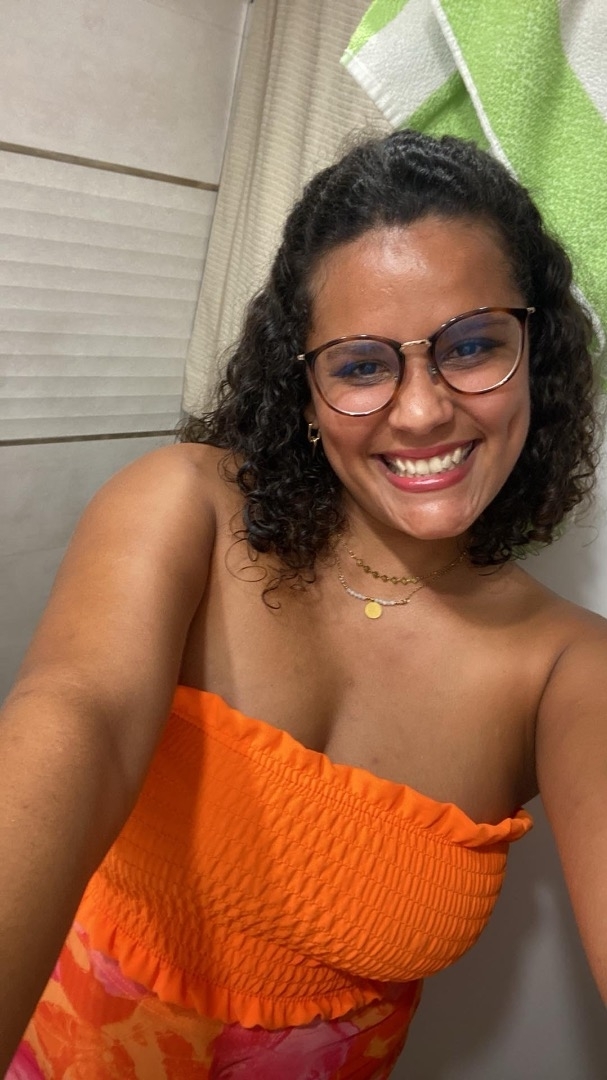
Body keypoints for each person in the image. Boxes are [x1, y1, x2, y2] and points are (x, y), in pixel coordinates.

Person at [2, 129, 605, 1079]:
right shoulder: (186, 506)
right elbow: (79, 719)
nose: (421, 411)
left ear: (537, 353)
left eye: (472, 345)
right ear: (305, 387)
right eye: (361, 365)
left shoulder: (570, 668)